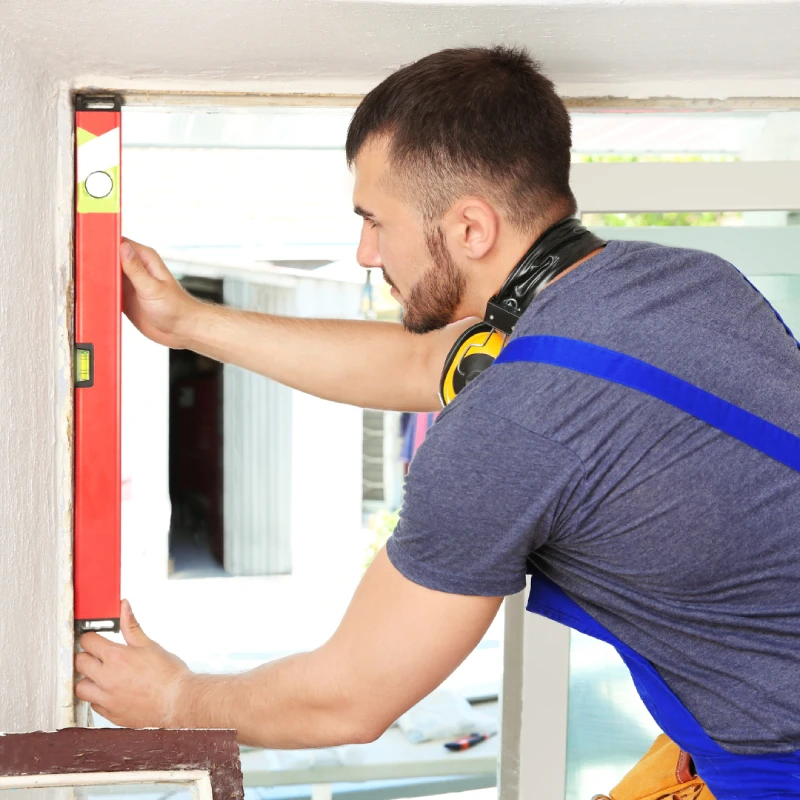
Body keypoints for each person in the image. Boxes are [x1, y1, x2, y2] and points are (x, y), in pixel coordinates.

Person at [75, 46, 800, 799]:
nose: (365, 252)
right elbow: (427, 365)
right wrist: (187, 322)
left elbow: (349, 696)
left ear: (471, 229)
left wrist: (173, 700)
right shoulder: (685, 282)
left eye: (375, 220)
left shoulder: (511, 428)